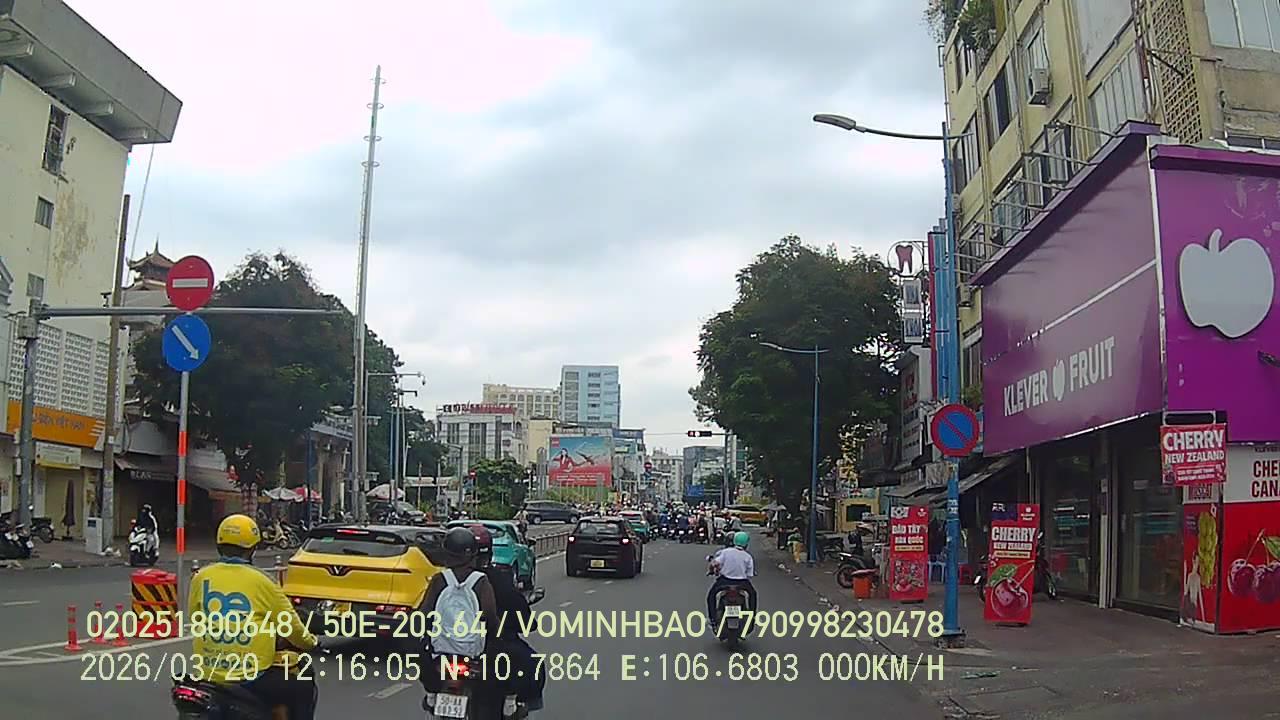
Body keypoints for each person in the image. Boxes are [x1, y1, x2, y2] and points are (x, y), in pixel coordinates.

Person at [187, 514, 318, 720]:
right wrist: (311, 642)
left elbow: (195, 617)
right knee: (302, 681)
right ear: (252, 549)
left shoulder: (200, 577)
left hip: (207, 673)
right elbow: (292, 627)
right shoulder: (264, 582)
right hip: (250, 677)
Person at [417, 527, 500, 712]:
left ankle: (431, 695)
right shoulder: (481, 581)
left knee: (421, 658)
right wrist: (495, 634)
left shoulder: (439, 579)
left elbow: (424, 612)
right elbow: (489, 614)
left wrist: (421, 633)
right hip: (473, 649)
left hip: (441, 648)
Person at [468, 524, 545, 713]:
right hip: (488, 644)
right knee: (532, 664)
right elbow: (512, 609)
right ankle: (513, 702)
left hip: (449, 645)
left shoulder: (443, 578)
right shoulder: (496, 578)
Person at [707, 531, 757, 620]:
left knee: (711, 596)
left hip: (725, 581)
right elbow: (749, 574)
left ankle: (712, 619)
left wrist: (711, 570)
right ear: (746, 544)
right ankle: (752, 617)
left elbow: (714, 563)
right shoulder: (748, 557)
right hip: (742, 582)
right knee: (753, 594)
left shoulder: (726, 552)